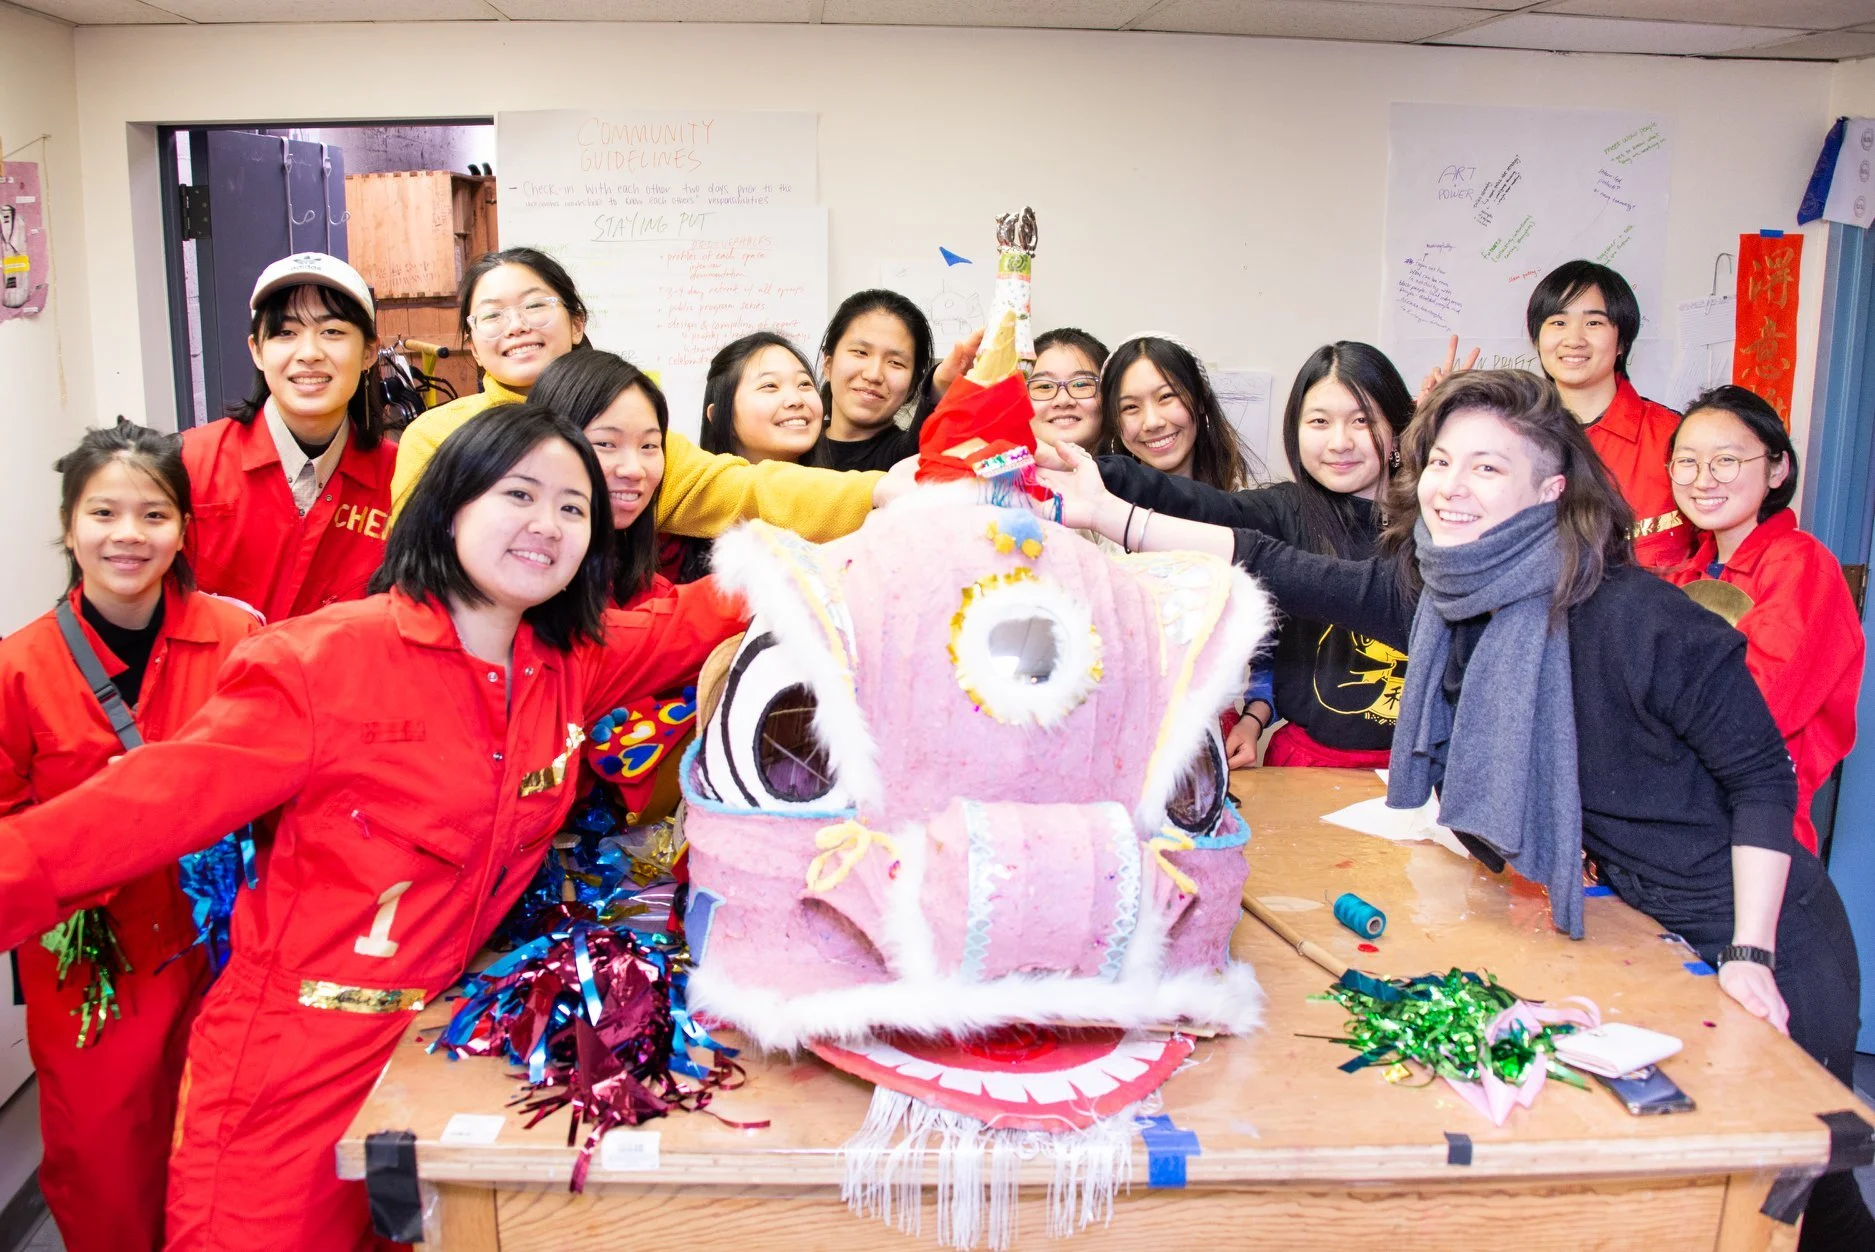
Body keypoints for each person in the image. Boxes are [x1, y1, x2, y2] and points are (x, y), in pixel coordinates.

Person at [1040, 375, 1868, 1233]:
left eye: (1485, 467)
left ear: (1550, 491)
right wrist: (1107, 516)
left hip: (1761, 931)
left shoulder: (1638, 616)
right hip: (1638, 922)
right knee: (1686, 1193)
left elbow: (1761, 780)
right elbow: (1272, 560)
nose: (1451, 487)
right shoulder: (1448, 598)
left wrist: (1749, 951)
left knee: (1797, 1188)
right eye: (1440, 462)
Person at [0, 404, 747, 1251]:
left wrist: (898, 526)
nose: (548, 524)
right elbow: (132, 810)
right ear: (448, 504)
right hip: (289, 1068)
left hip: (437, 1052)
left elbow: (705, 611)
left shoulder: (563, 660)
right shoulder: (321, 663)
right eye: (520, 494)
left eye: (573, 507)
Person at [0, 422, 261, 1252]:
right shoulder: (19, 665)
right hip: (89, 960)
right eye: (103, 512)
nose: (127, 535)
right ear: (69, 525)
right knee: (106, 1159)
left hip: (220, 944)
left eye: (153, 515)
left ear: (184, 529)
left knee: (220, 1147)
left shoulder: (239, 637)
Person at [389, 247, 889, 542]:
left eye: (535, 305)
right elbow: (415, 557)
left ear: (576, 322)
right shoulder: (437, 435)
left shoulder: (627, 421)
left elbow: (746, 489)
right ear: (473, 346)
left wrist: (876, 492)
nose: (516, 326)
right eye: (492, 315)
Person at [1097, 342, 1414, 768]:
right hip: (1308, 763)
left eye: (1362, 421)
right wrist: (1100, 473)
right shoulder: (1285, 509)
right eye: (1319, 421)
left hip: (1420, 765)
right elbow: (1203, 506)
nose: (1340, 442)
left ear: (1397, 428)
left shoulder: (1438, 520)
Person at [1666, 385, 1863, 856]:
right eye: (1687, 461)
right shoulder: (1684, 575)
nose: (1703, 480)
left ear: (1777, 469)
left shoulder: (1802, 564)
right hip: (1673, 824)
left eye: (1726, 460)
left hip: (1753, 836)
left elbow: (1756, 707)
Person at [1420, 261, 1685, 568]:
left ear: (1622, 342)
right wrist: (1438, 423)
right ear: (1536, 339)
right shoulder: (1503, 434)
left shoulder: (1673, 438)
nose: (1573, 339)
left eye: (1594, 323)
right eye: (1558, 323)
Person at [180, 252, 394, 621]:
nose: (309, 353)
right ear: (257, 351)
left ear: (369, 352)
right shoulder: (188, 464)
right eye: (285, 333)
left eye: (332, 332)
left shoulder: (401, 476)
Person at [531, 349, 669, 605]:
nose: (634, 469)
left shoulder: (640, 582)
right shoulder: (522, 569)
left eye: (649, 446)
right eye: (606, 443)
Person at [1099, 335, 1255, 491]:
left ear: (1199, 400)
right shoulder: (1100, 507)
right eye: (1130, 407)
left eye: (1166, 396)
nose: (1152, 422)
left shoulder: (1242, 507)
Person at [698, 331, 823, 466]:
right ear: (720, 416)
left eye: (804, 384)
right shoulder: (701, 486)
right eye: (770, 385)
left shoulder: (839, 484)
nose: (796, 400)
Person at [1027, 326, 1108, 452]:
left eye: (1080, 384)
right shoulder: (989, 470)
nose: (1063, 400)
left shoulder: (1139, 471)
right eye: (1045, 386)